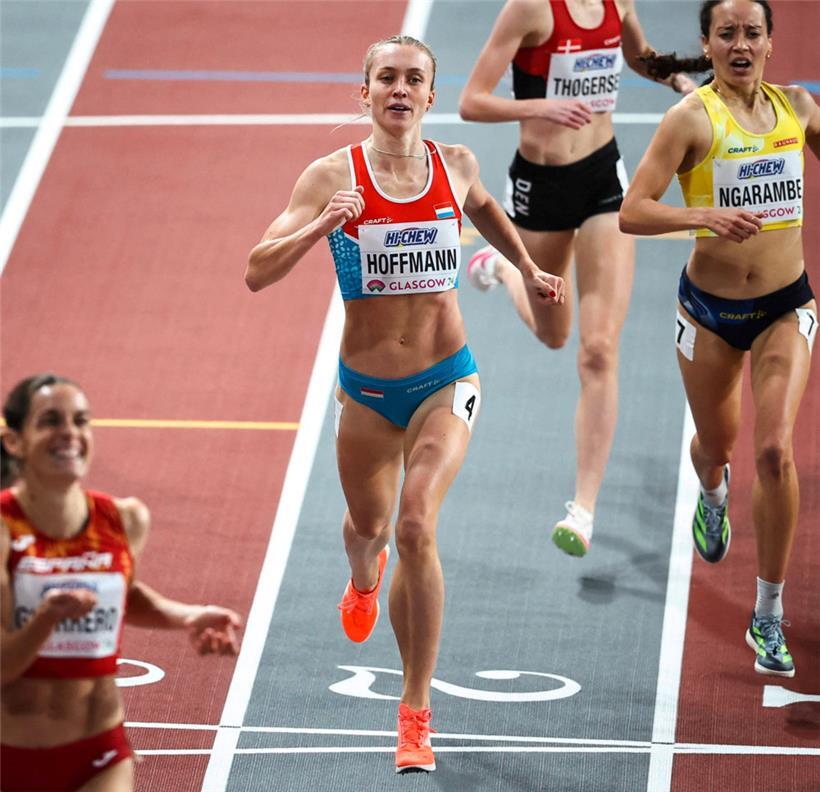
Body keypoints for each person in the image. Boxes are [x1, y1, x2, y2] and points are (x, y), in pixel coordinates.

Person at [245, 35, 564, 773]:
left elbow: (482, 208)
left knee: (417, 522)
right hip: (364, 393)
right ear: (363, 93)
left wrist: (526, 265)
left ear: (429, 93)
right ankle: (363, 577)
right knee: (369, 527)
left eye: (411, 79)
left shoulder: (455, 165)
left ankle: (415, 710)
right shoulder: (331, 175)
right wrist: (324, 224)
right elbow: (256, 271)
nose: (398, 89)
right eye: (384, 77)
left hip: (446, 379)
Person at [620, 0, 818, 678]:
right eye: (726, 33)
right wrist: (703, 213)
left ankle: (767, 613)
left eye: (752, 32)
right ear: (706, 43)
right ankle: (711, 490)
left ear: (770, 41)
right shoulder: (691, 119)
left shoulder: (798, 106)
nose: (741, 43)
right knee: (717, 446)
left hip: (786, 307)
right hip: (707, 313)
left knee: (773, 451)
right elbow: (632, 211)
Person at [459, 0, 696, 557]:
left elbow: (639, 56)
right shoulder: (530, 10)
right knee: (554, 334)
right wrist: (543, 107)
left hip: (602, 179)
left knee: (596, 350)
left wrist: (680, 78)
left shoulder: (619, 3)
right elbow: (472, 101)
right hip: (539, 187)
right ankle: (498, 266)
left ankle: (583, 509)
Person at [1, 373, 243, 791]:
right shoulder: (5, 529)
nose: (69, 434)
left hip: (99, 753)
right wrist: (46, 618)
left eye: (80, 421)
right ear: (14, 441)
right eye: (51, 421)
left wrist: (187, 616)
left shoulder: (124, 519)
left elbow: (123, 592)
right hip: (11, 755)